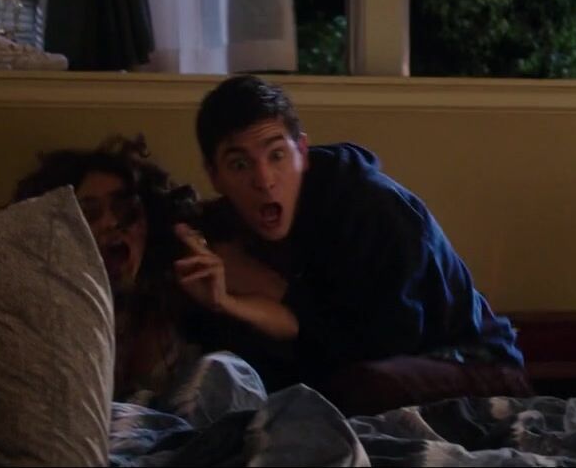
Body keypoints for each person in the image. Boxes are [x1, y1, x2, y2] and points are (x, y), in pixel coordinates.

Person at [177, 75, 529, 414]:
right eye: (240, 165)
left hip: (468, 360)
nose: (264, 180)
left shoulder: (373, 208)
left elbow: (386, 344)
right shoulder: (226, 230)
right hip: (361, 368)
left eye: (277, 155)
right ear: (215, 176)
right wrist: (224, 301)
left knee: (350, 388)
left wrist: (274, 292)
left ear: (302, 152)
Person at [11, 134, 204, 400]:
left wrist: (220, 304)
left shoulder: (177, 300)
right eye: (88, 214)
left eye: (125, 210)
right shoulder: (41, 316)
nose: (110, 223)